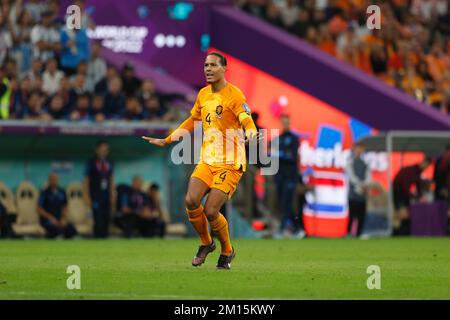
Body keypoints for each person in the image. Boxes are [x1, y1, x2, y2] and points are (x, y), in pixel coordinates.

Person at [142, 52, 259, 269]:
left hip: (231, 163)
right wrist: (167, 140)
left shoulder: (235, 95)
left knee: (212, 210)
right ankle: (206, 243)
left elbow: (246, 119)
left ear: (224, 68)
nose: (208, 69)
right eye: (206, 65)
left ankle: (227, 250)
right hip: (208, 160)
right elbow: (192, 120)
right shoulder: (203, 94)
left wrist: (251, 134)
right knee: (191, 200)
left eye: (213, 65)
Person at [274, 114, 301, 237]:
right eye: (283, 122)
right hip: (279, 175)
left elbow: (293, 157)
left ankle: (285, 228)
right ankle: (296, 228)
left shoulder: (294, 138)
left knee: (287, 202)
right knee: (282, 203)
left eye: (287, 122)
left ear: (289, 123)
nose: (285, 124)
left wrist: (280, 154)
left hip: (290, 176)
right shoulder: (277, 139)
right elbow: (272, 155)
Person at [83, 141, 115, 238]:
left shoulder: (110, 162)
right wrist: (86, 196)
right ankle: (97, 239)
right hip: (95, 195)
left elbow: (111, 179)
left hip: (106, 195)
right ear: (97, 150)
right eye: (102, 150)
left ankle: (105, 242)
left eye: (105, 150)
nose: (103, 152)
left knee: (106, 219)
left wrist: (113, 195)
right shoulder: (91, 162)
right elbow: (86, 180)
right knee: (98, 220)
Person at [393, 157, 432, 235]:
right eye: (426, 164)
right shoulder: (411, 171)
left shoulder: (417, 172)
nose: (425, 167)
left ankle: (403, 231)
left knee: (406, 213)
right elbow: (405, 185)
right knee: (401, 213)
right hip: (399, 193)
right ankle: (397, 232)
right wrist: (414, 196)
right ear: (422, 162)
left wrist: (419, 196)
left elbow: (418, 185)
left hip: (404, 194)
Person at [38, 173, 77, 239]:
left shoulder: (62, 192)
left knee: (70, 228)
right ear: (49, 180)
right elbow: (39, 209)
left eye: (55, 179)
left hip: (60, 218)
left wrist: (63, 218)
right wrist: (51, 218)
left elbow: (65, 206)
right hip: (48, 220)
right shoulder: (44, 193)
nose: (54, 181)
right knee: (53, 229)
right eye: (52, 179)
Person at [346, 141, 372, 237]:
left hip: (363, 194)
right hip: (353, 194)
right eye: (358, 148)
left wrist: (365, 185)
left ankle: (359, 234)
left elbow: (369, 177)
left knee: (361, 216)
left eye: (361, 148)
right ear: (354, 149)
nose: (359, 150)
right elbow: (351, 177)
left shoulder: (365, 163)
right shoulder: (350, 162)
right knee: (352, 215)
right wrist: (360, 185)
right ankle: (348, 233)